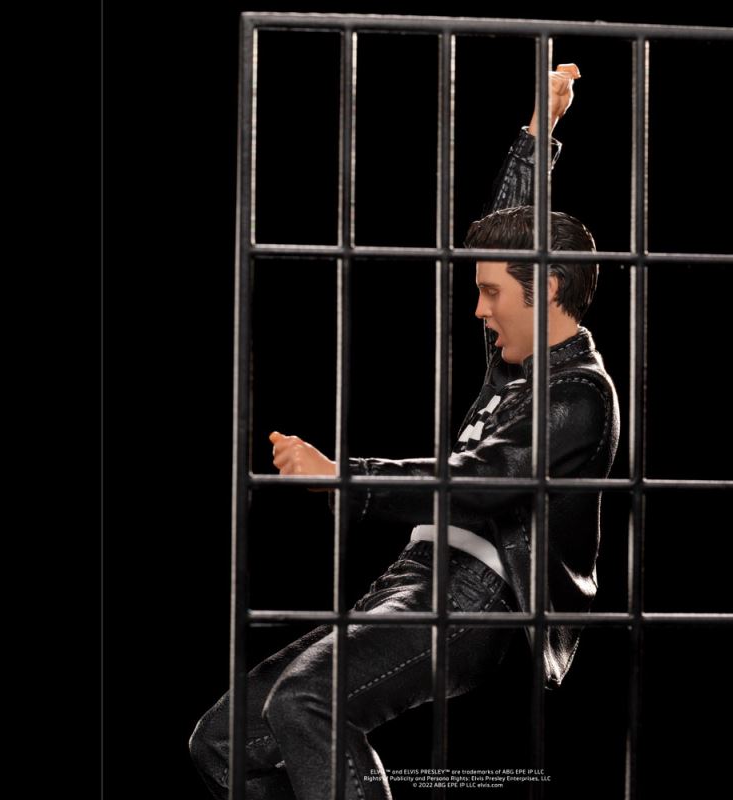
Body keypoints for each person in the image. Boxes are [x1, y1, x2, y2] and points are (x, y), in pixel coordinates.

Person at [189, 63, 620, 800]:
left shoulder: (579, 394)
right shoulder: (516, 365)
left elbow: (481, 486)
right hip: (416, 577)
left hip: (479, 592)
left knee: (305, 702)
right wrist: (536, 134)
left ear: (547, 288)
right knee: (225, 741)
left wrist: (343, 475)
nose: (479, 310)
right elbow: (511, 235)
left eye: (490, 293)